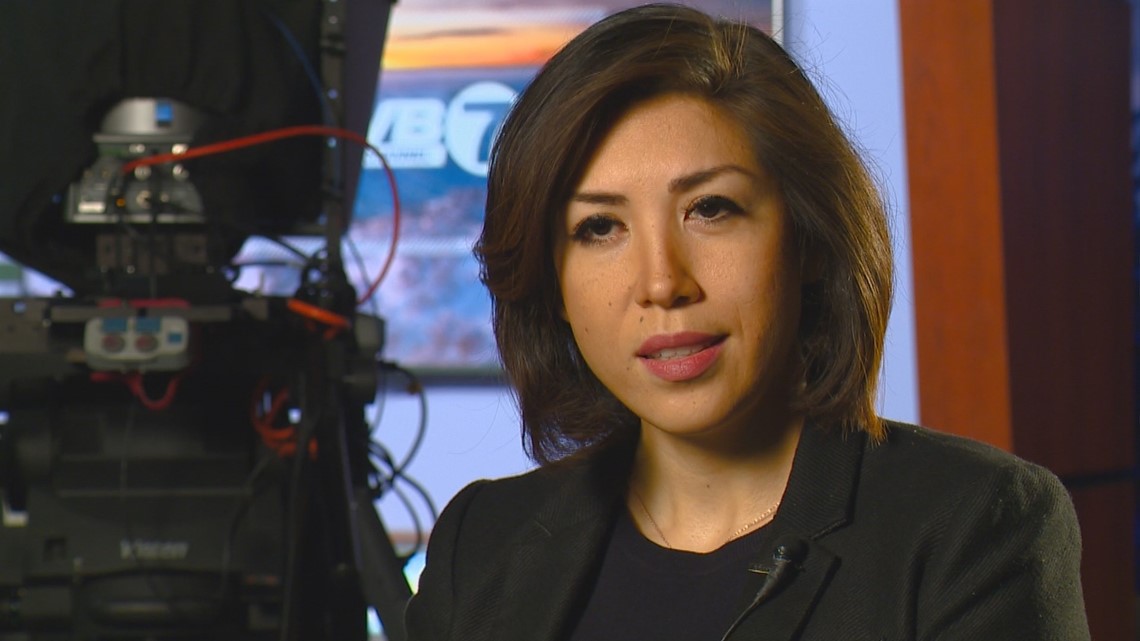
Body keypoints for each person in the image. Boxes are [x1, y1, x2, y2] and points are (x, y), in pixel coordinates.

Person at [404, 4, 1091, 640]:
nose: (662, 283)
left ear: (809, 240)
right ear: (552, 282)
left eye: (711, 209)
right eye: (600, 227)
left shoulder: (973, 526)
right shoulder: (483, 542)